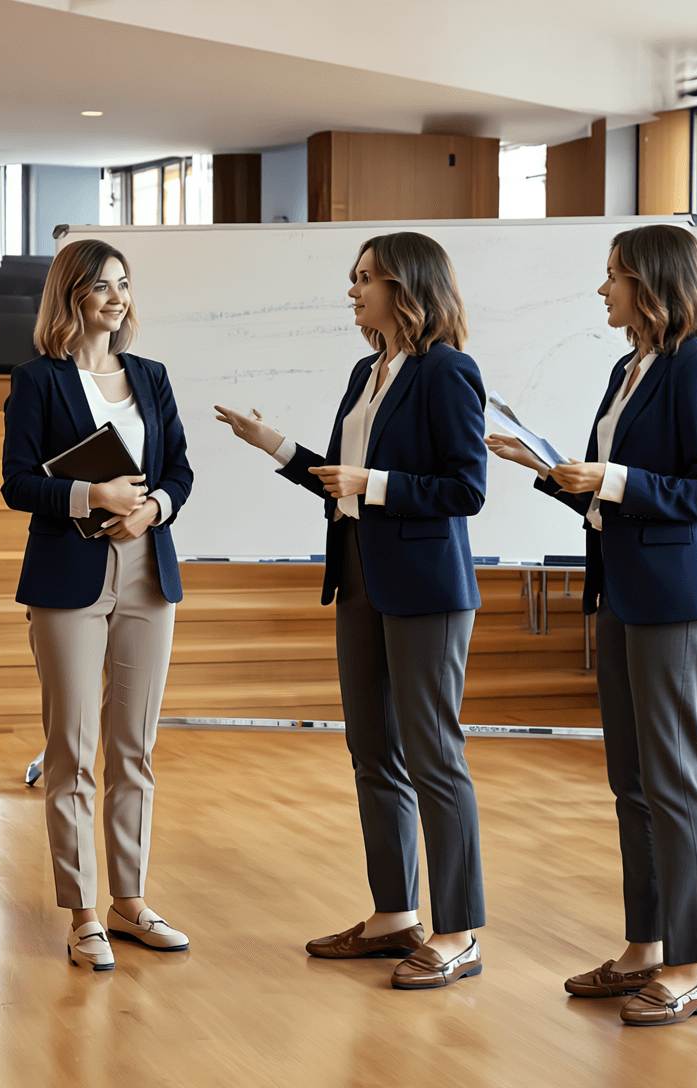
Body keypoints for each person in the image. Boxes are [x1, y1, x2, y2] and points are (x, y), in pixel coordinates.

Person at [214, 231, 488, 991]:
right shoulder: (366, 372)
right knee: (372, 752)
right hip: (361, 575)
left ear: (407, 286)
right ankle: (395, 915)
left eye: (364, 278)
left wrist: (373, 484)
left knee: (434, 757)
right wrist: (273, 443)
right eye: (353, 278)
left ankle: (459, 930)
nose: (353, 291)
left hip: (426, 588)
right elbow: (345, 479)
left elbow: (465, 489)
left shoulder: (447, 372)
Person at [486, 223, 697, 1026]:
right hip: (626, 591)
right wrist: (552, 472)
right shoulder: (628, 368)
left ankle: (692, 962)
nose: (604, 290)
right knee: (631, 783)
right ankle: (647, 945)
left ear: (654, 284)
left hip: (676, 599)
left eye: (615, 277)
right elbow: (613, 493)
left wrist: (615, 476)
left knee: (673, 781)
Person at [0, 239, 194, 971]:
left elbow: (178, 468)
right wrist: (93, 495)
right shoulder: (38, 380)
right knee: (72, 750)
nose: (117, 297)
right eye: (102, 286)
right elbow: (18, 482)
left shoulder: (151, 376)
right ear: (71, 296)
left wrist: (154, 509)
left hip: (148, 567)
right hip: (68, 571)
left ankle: (130, 900)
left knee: (134, 748)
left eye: (124, 285)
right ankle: (83, 912)